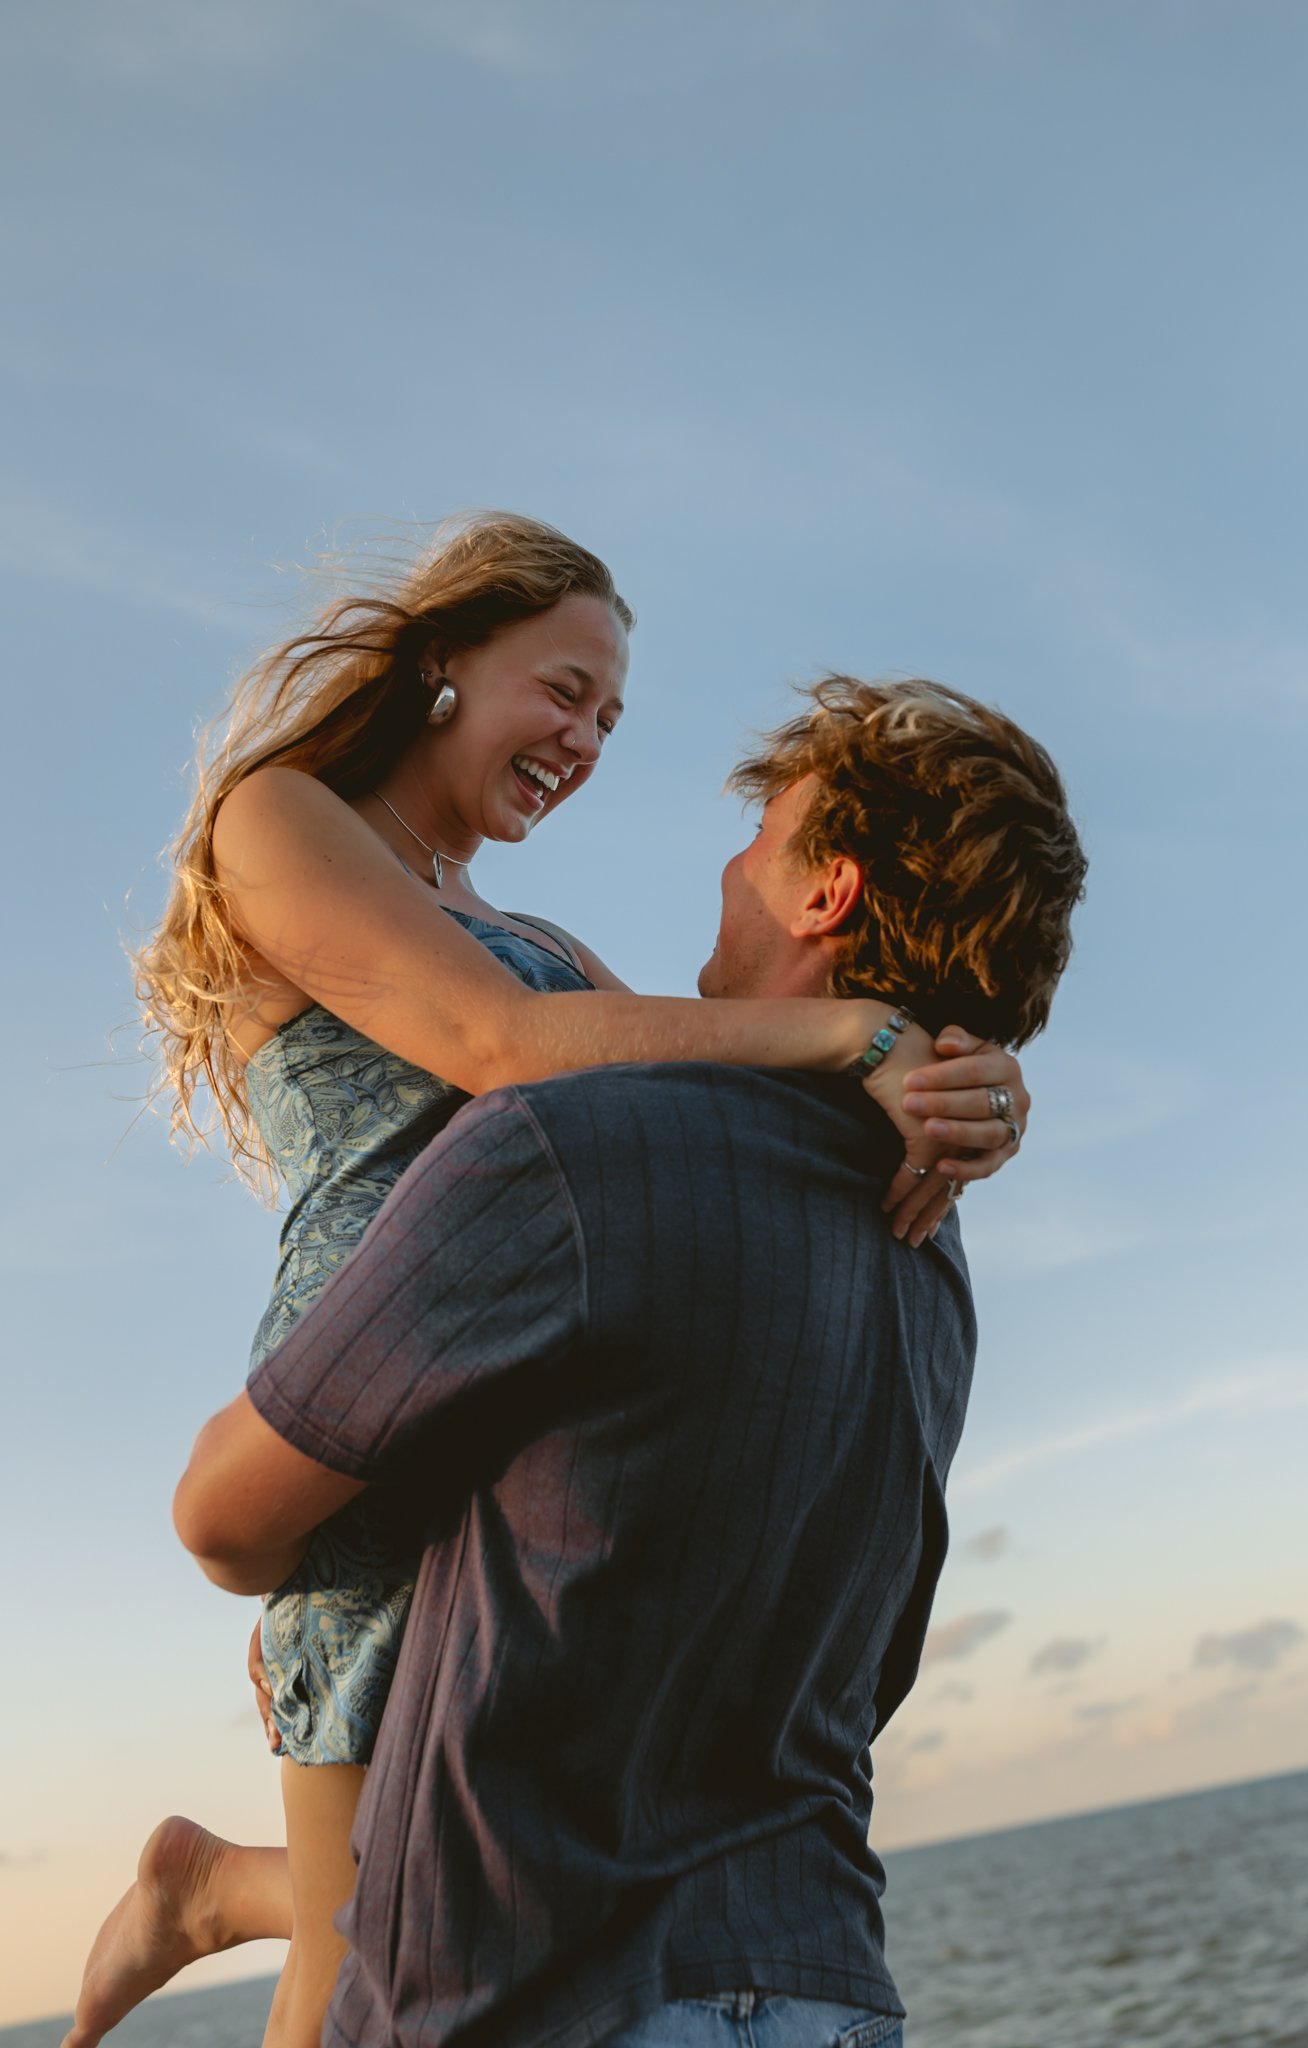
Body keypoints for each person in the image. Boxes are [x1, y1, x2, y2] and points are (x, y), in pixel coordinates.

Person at [62, 519, 1029, 2048]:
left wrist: (959, 1071)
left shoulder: (548, 941)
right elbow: (501, 1059)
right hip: (368, 1361)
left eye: (610, 720)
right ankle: (211, 1895)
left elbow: (680, 1105)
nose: (582, 739)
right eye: (564, 690)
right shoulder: (285, 817)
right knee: (346, 1970)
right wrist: (853, 1038)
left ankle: (207, 1888)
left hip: (504, 1372)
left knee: (405, 1878)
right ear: (443, 662)